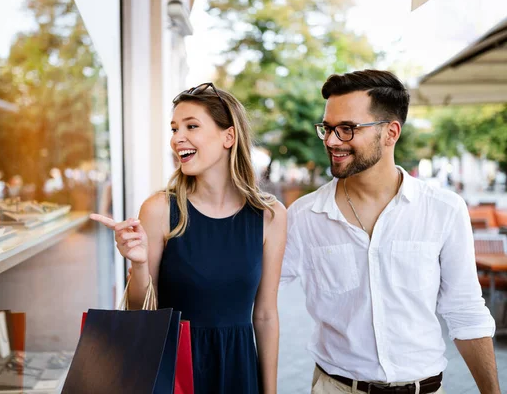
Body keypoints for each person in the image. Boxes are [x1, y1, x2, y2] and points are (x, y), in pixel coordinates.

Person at [281, 70, 499, 394]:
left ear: (390, 132)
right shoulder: (303, 216)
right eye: (327, 129)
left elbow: (464, 312)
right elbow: (253, 295)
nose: (330, 140)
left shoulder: (443, 209)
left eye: (346, 129)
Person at [91, 82, 287, 394]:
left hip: (239, 371)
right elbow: (140, 315)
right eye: (174, 128)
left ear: (229, 136)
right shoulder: (159, 210)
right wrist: (139, 265)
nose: (176, 138)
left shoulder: (270, 215)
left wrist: (270, 391)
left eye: (191, 126)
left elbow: (265, 315)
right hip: (175, 375)